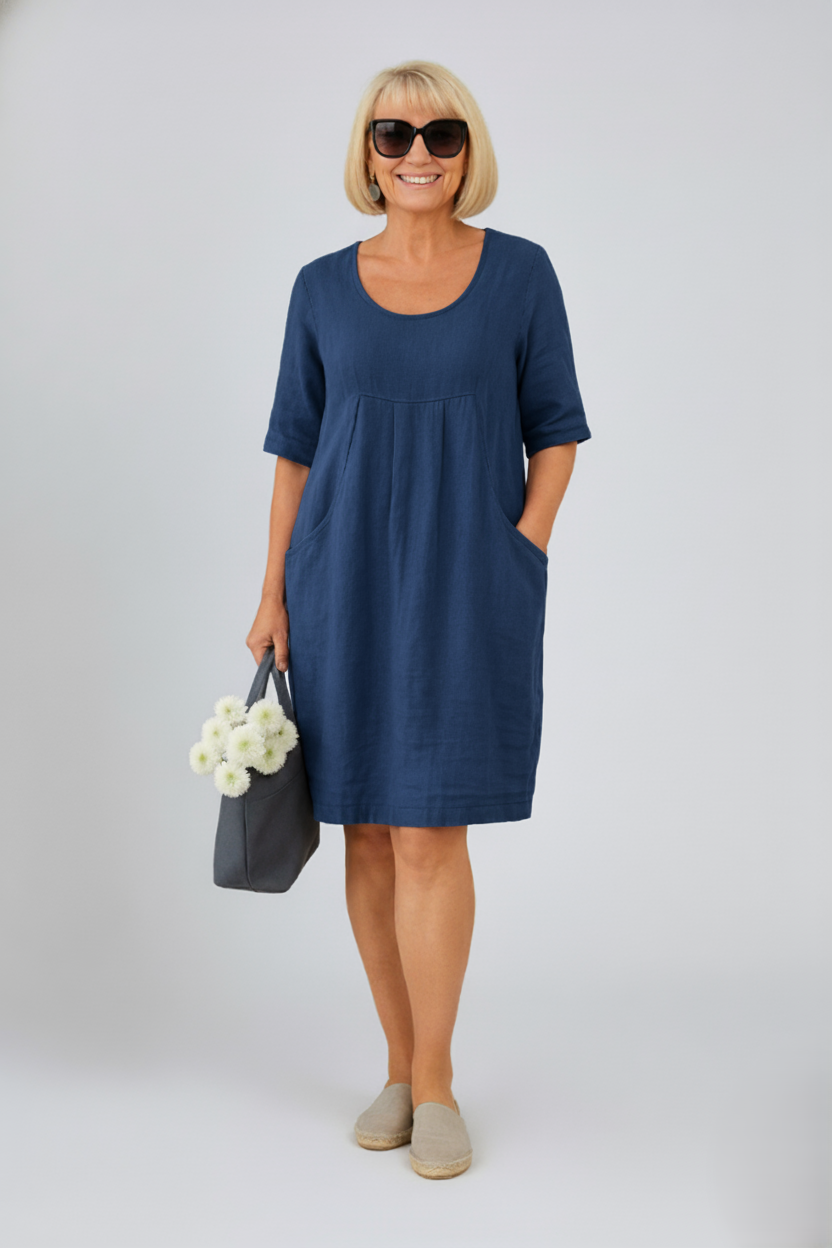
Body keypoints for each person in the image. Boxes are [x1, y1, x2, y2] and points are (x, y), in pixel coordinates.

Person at [247, 59, 591, 1180]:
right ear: (367, 154)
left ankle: (435, 1083)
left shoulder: (522, 275)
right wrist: (272, 593)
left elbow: (556, 430)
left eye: (441, 135)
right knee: (364, 828)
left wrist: (520, 545)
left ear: (467, 151)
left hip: (468, 580)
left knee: (431, 830)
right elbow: (295, 452)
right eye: (392, 135)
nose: (417, 155)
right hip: (339, 578)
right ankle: (397, 1066)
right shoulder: (319, 288)